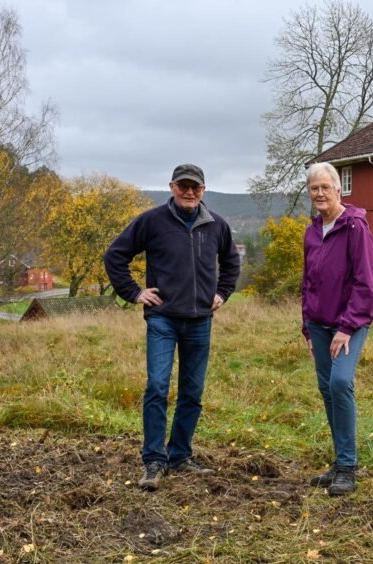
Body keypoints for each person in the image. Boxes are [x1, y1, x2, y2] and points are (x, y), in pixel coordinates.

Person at [104, 163, 241, 491]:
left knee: (192, 392)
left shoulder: (216, 226)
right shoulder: (152, 221)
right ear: (172, 187)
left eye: (195, 186)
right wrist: (135, 292)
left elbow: (232, 262)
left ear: (203, 190)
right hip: (162, 318)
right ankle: (153, 460)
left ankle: (179, 456)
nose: (189, 192)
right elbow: (115, 256)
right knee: (157, 387)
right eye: (183, 186)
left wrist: (222, 293)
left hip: (199, 321)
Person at [301, 162, 373, 496]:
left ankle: (348, 466)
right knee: (326, 389)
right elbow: (309, 283)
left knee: (341, 382)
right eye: (314, 188)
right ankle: (339, 461)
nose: (319, 193)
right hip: (318, 325)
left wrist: (347, 327)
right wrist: (307, 328)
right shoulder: (312, 231)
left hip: (349, 324)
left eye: (325, 187)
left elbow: (367, 281)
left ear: (338, 189)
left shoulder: (355, 226)